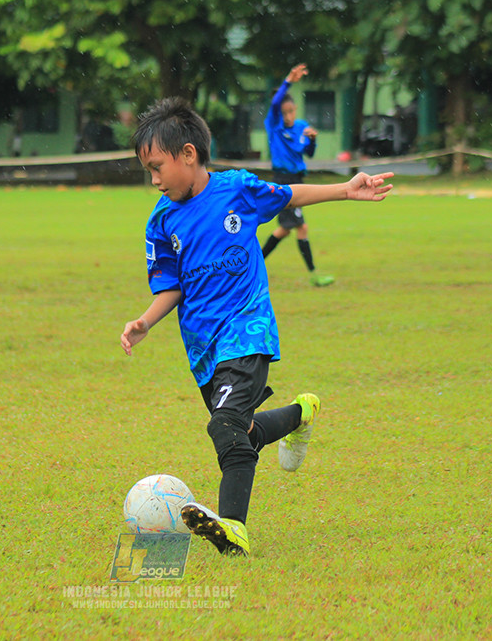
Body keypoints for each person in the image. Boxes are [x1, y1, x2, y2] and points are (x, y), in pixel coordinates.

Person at [120, 98, 392, 556]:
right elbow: (171, 286)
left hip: (248, 329)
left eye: (157, 166)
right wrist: (145, 321)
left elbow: (288, 195)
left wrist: (346, 189)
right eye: (148, 170)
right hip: (204, 347)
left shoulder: (236, 190)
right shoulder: (161, 221)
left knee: (223, 426)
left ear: (188, 154)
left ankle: (234, 530)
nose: (154, 179)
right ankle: (301, 414)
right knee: (241, 433)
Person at [261, 63, 335, 288]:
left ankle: (252, 264)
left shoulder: (301, 126)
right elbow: (275, 103)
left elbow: (308, 153)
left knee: (285, 229)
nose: (288, 116)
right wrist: (289, 81)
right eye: (284, 112)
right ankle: (314, 275)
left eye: (291, 111)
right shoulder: (273, 125)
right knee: (299, 227)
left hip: (297, 179)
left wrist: (313, 139)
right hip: (283, 180)